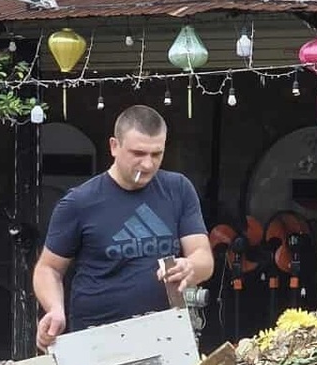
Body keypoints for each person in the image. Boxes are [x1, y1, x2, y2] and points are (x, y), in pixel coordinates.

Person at [33, 105, 214, 350]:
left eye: (156, 154)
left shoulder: (178, 189)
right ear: (114, 146)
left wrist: (190, 267)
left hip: (166, 332)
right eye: (138, 153)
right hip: (95, 337)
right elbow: (48, 268)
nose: (148, 164)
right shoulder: (79, 202)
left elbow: (203, 257)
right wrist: (55, 309)